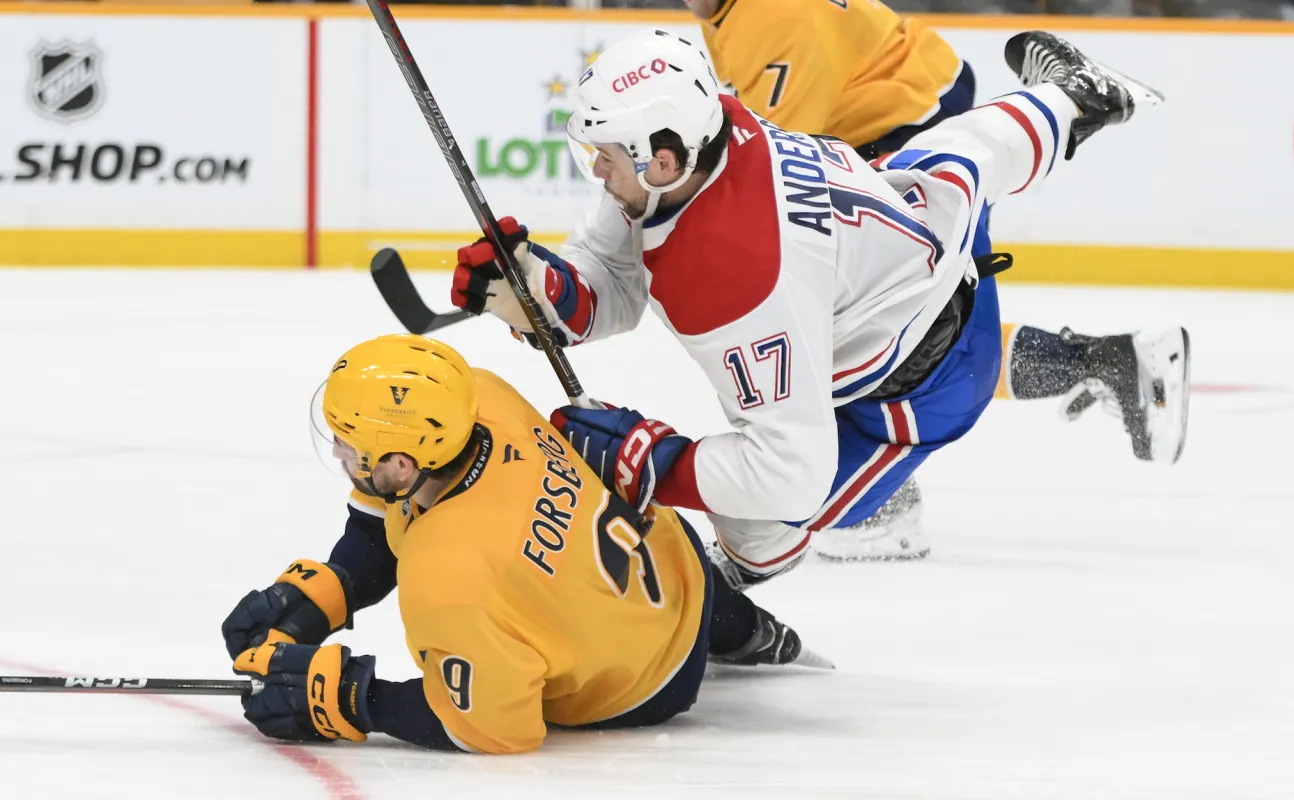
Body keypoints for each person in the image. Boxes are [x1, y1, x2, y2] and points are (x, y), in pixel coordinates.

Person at [447, 30, 1180, 587]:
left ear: (666, 160)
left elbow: (789, 472)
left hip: (914, 389)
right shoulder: (713, 124)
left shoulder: (731, 276)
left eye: (604, 153)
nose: (596, 169)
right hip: (912, 212)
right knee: (964, 153)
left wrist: (650, 460)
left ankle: (727, 594)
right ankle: (1073, 98)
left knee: (763, 523)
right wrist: (546, 290)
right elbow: (612, 268)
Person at [221, 333, 825, 755]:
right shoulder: (480, 397)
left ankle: (748, 634)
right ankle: (753, 633)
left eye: (349, 444)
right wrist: (334, 588)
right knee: (695, 600)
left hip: (640, 686)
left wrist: (354, 697)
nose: (337, 452)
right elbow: (386, 514)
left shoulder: (448, 573)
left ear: (402, 464)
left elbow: (492, 729)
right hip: (678, 565)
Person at [685, 0, 1192, 477]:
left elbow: (773, 171)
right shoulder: (736, 13)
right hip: (905, 114)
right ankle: (1107, 361)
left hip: (903, 131)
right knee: (910, 331)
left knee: (923, 335)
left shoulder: (770, 20)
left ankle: (1115, 361)